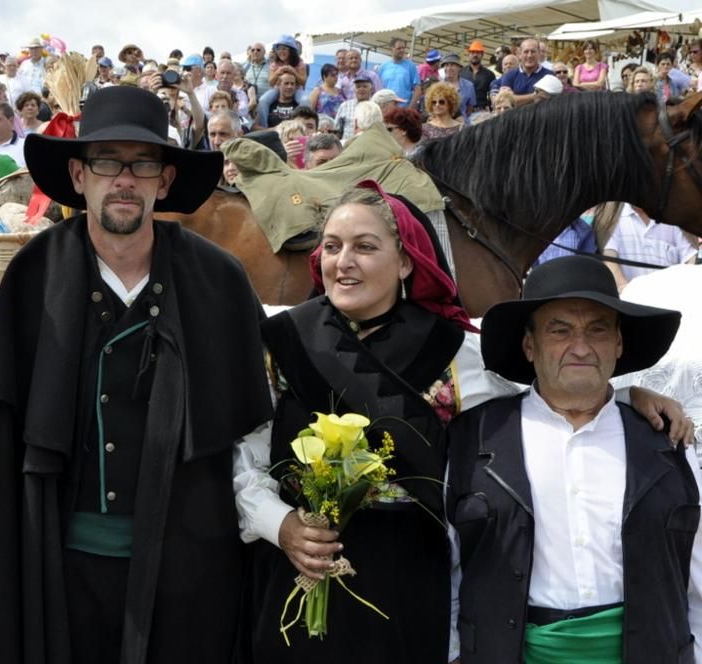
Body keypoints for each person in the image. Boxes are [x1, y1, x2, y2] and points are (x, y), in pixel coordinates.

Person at [235, 183, 693, 663]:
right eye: (332, 247)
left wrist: (625, 398)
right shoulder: (282, 342)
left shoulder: (454, 352)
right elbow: (245, 456)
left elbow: (550, 397)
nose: (343, 261)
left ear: (407, 260)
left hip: (410, 585)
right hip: (295, 572)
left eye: (365, 247)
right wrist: (281, 525)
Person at [0, 84, 272, 663]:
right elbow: (2, 436)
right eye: (108, 161)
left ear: (165, 180)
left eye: (144, 163)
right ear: (80, 176)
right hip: (64, 568)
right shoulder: (34, 274)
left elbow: (250, 428)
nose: (125, 179)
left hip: (189, 568)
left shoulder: (220, 280)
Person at [447, 255, 702, 664]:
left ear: (618, 344)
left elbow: (697, 577)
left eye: (597, 329)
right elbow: (451, 566)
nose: (580, 347)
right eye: (559, 330)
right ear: (530, 345)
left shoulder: (665, 440)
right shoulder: (474, 438)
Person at [603, 203, 696, 291]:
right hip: (628, 300)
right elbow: (609, 257)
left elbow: (689, 260)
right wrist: (624, 289)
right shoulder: (614, 216)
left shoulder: (672, 217)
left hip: (668, 298)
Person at [376, 38, 420, 108]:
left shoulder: (411, 66)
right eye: (399, 48)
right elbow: (378, 89)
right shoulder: (383, 67)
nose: (402, 50)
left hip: (403, 109)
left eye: (403, 48)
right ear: (392, 49)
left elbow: (417, 89)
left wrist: (410, 108)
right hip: (386, 110)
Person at [461, 41, 495, 111]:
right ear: (469, 54)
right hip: (464, 112)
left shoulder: (489, 74)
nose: (475, 55)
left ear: (482, 55)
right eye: (472, 52)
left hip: (482, 112)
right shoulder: (461, 73)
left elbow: (493, 93)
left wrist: (490, 108)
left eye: (478, 53)